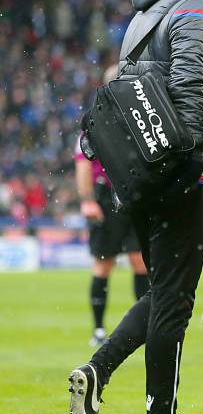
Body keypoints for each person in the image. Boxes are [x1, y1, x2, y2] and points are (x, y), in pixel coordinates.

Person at [68, 0, 203, 414]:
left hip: (140, 172)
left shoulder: (147, 12)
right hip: (177, 171)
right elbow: (192, 89)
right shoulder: (198, 9)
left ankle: (118, 391)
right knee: (175, 298)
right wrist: (199, 172)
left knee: (166, 291)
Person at [75, 65, 149, 347]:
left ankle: (144, 324)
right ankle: (97, 329)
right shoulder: (95, 118)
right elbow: (82, 161)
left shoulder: (135, 115)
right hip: (106, 197)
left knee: (139, 260)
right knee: (103, 264)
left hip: (133, 194)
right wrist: (88, 200)